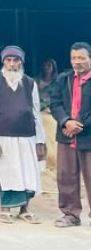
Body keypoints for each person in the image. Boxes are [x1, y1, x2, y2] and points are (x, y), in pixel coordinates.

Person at [0, 46, 45, 225]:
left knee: (27, 174)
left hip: (27, 137)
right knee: (6, 173)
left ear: (21, 62)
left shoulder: (30, 83)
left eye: (16, 60)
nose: (12, 64)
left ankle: (25, 210)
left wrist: (40, 141)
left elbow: (36, 113)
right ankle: (6, 210)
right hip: (2, 136)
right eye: (8, 60)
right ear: (3, 62)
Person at [51, 42, 91, 228]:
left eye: (81, 58)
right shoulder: (63, 79)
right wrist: (66, 121)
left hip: (88, 135)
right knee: (66, 176)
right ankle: (71, 214)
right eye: (74, 58)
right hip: (66, 135)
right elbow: (55, 103)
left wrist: (78, 125)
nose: (77, 62)